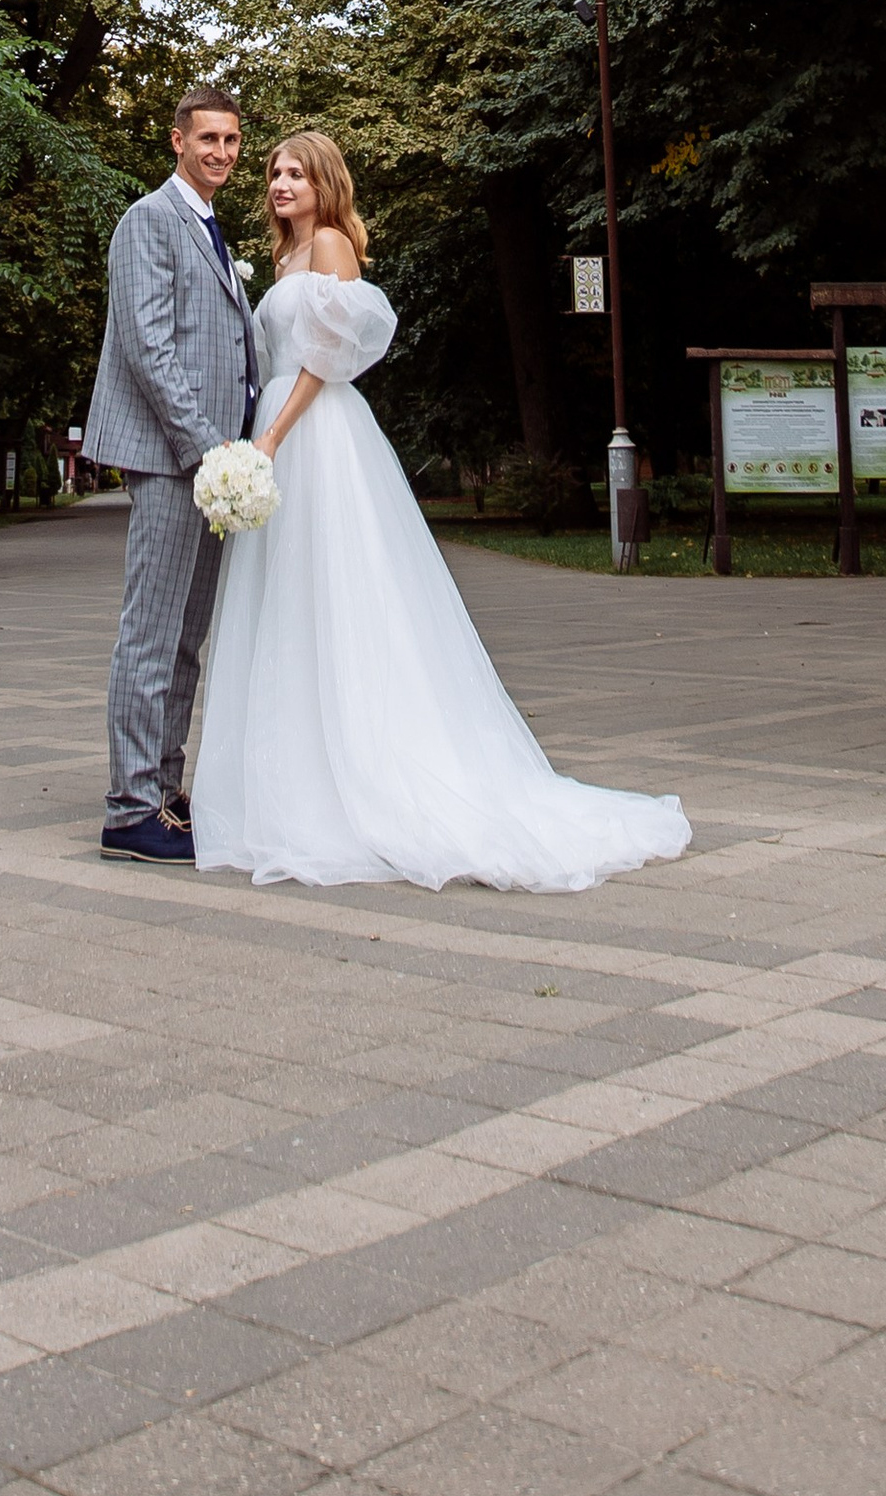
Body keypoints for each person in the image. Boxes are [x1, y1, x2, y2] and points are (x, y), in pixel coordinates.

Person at [190, 127, 692, 892]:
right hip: (277, 432)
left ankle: (367, 772)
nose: (279, 183)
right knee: (288, 606)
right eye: (274, 173)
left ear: (326, 184)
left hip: (315, 435)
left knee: (339, 597)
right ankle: (289, 780)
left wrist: (271, 440)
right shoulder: (287, 256)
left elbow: (325, 361)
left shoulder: (330, 246)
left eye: (295, 173)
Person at [80, 81, 261, 863]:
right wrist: (206, 450)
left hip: (214, 464)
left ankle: (164, 787)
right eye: (207, 139)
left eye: (231, 140)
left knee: (187, 638)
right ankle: (128, 808)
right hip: (172, 461)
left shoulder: (212, 229)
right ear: (176, 142)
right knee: (150, 635)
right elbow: (149, 350)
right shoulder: (148, 220)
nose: (220, 152)